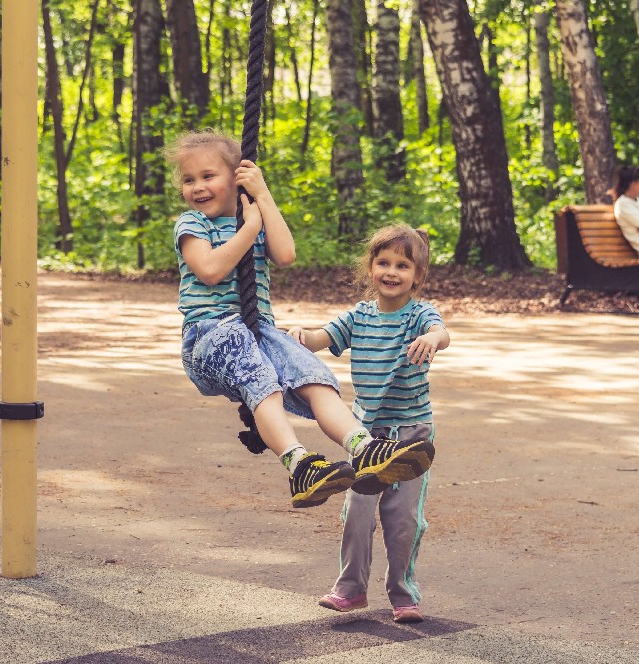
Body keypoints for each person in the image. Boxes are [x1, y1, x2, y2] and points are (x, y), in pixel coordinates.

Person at [166, 129, 435, 509]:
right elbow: (209, 270)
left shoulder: (252, 215)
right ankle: (298, 463)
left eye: (208, 176)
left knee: (314, 376)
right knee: (263, 383)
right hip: (210, 335)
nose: (197, 187)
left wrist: (262, 198)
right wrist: (250, 229)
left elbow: (286, 253)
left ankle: (364, 448)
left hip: (257, 331)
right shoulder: (193, 224)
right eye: (189, 180)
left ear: (238, 177)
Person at [287, 223, 449, 623]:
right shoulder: (358, 316)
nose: (392, 272)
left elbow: (440, 331)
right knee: (357, 512)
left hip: (411, 436)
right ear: (371, 267)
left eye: (403, 265)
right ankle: (350, 588)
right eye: (384, 262)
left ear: (418, 276)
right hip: (365, 437)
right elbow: (320, 338)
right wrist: (296, 336)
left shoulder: (419, 315)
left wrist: (434, 339)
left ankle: (403, 593)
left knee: (403, 519)